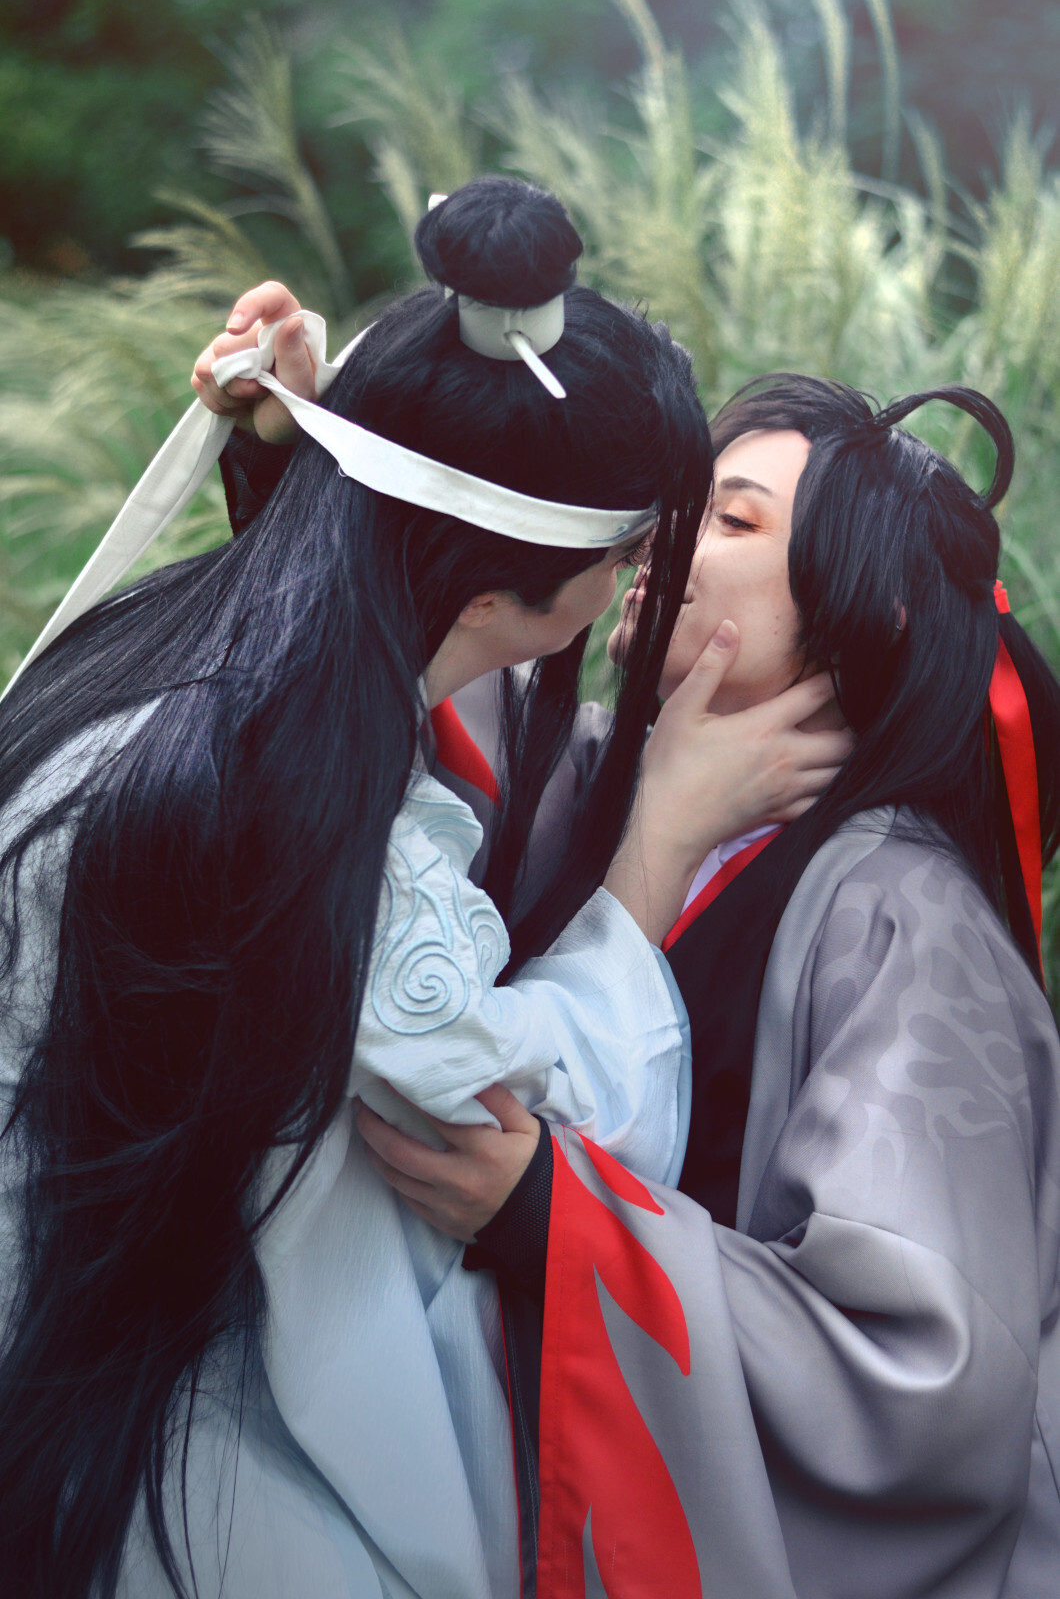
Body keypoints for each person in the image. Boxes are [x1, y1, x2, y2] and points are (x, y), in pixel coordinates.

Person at [0, 183, 847, 1599]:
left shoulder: (180, 661)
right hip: (160, 1456)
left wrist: (301, 453)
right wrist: (667, 832)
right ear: (498, 602)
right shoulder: (294, 817)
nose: (648, 580)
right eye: (626, 554)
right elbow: (514, 1105)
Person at [363, 374, 1060, 1597]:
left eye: (731, 519)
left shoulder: (903, 917)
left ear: (871, 609)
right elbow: (400, 695)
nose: (664, 536)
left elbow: (918, 1370)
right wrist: (320, 469)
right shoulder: (593, 777)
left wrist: (555, 1216)